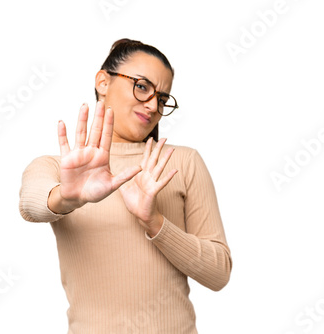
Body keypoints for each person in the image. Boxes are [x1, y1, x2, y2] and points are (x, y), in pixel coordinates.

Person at [19, 38, 232, 333]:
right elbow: (31, 205)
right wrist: (68, 198)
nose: (152, 105)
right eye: (142, 86)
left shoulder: (182, 162)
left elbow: (218, 273)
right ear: (103, 82)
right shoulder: (62, 167)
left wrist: (154, 222)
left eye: (161, 98)